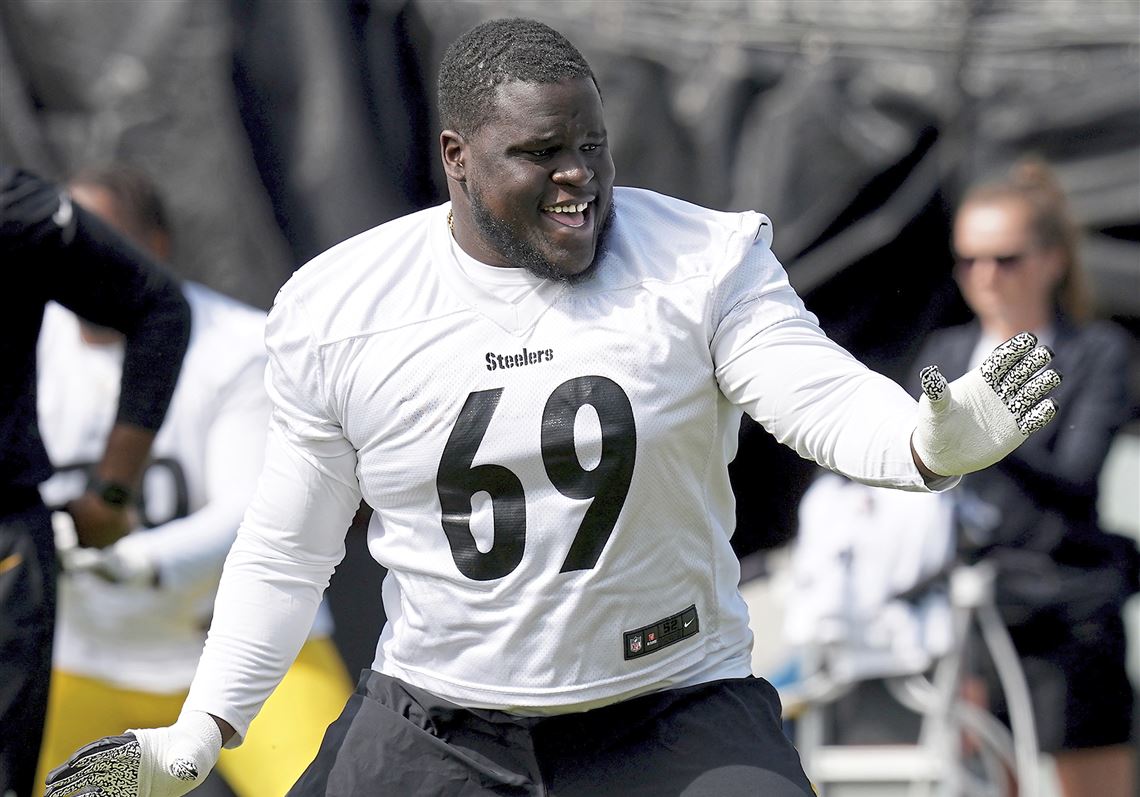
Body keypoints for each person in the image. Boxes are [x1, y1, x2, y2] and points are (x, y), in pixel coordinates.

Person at [43, 19, 1062, 797]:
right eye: (540, 153)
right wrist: (202, 725)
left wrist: (928, 442)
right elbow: (286, 544)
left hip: (674, 710)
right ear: (457, 156)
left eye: (592, 145)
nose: (579, 179)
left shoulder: (699, 260)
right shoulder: (346, 306)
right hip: (441, 721)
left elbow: (820, 395)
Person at [31, 165, 354, 796]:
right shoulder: (31, 343)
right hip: (87, 653)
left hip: (239, 651)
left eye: (100, 244)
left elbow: (258, 510)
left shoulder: (237, 346)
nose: (77, 269)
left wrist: (140, 560)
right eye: (63, 249)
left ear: (152, 248)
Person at [911, 158, 1137, 797]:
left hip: (1068, 603)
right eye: (969, 261)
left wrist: (989, 432)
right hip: (970, 607)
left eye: (1005, 259)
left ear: (1050, 261)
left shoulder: (1096, 352)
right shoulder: (945, 353)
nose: (985, 277)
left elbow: (1077, 479)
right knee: (983, 782)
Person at [0, 165, 191, 797]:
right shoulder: (60, 351)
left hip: (207, 662)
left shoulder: (253, 343)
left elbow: (277, 527)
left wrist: (117, 503)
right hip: (90, 652)